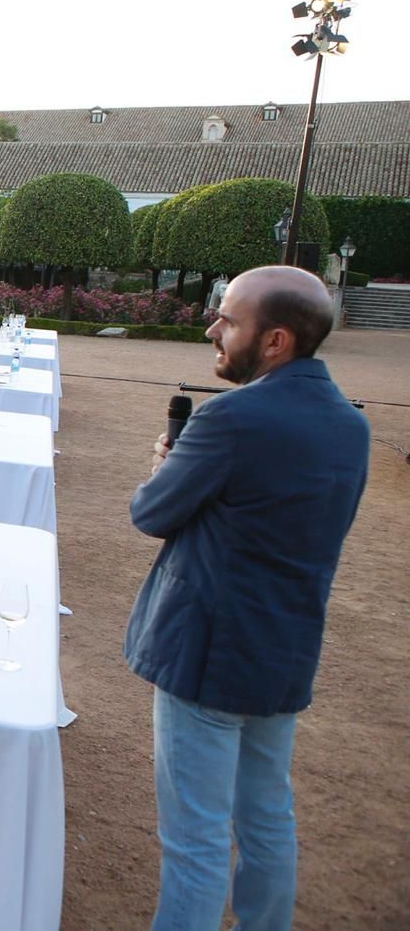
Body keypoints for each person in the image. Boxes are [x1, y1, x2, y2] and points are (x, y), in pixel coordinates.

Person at [124, 266, 369, 931]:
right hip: (283, 650)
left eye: (228, 319)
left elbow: (151, 512)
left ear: (276, 340)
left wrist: (162, 466)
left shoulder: (231, 418)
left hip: (205, 651)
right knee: (266, 818)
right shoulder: (351, 427)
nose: (213, 328)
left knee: (195, 841)